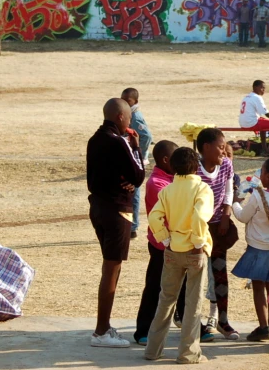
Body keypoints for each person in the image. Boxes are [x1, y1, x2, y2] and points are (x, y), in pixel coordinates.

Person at [144, 147, 214, 364]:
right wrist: (198, 242)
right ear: (196, 166)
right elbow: (200, 218)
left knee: (166, 300)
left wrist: (165, 239)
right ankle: (188, 353)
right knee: (193, 303)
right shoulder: (202, 189)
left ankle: (153, 350)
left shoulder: (168, 190)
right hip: (195, 251)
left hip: (173, 249)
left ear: (173, 167)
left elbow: (154, 216)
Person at [87, 98, 146, 348]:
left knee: (111, 267)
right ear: (121, 117)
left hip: (98, 207)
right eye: (129, 120)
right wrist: (136, 148)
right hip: (117, 211)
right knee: (112, 269)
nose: (130, 124)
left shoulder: (94, 139)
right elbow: (139, 175)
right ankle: (101, 331)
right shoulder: (118, 141)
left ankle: (105, 325)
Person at [231, 156, 269, 342]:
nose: (259, 175)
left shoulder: (258, 195)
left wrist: (235, 203)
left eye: (262, 172)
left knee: (258, 289)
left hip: (257, 249)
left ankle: (263, 326)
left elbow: (243, 217)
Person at [134, 140, 182, 346]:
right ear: (165, 160)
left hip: (179, 243)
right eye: (176, 160)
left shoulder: (174, 178)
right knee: (155, 287)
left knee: (185, 286)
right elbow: (170, 212)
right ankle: (143, 330)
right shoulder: (157, 184)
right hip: (161, 244)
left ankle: (190, 324)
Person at [195, 128, 239, 340]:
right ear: (206, 148)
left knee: (220, 274)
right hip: (197, 229)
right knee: (196, 275)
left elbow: (229, 191)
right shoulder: (194, 169)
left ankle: (222, 319)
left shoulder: (226, 166)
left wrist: (225, 215)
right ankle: (193, 321)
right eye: (220, 147)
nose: (224, 152)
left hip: (217, 227)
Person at [120, 88, 153, 240]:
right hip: (129, 159)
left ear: (135, 102)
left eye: (129, 100)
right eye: (123, 99)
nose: (125, 102)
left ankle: (132, 227)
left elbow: (146, 136)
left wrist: (139, 152)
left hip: (135, 160)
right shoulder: (127, 113)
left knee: (134, 194)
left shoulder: (135, 116)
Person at [239, 80, 269, 153]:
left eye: (264, 88)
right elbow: (266, 113)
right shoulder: (257, 97)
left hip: (242, 123)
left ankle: (265, 149)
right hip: (251, 123)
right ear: (255, 87)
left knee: (262, 123)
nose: (264, 90)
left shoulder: (247, 97)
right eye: (262, 88)